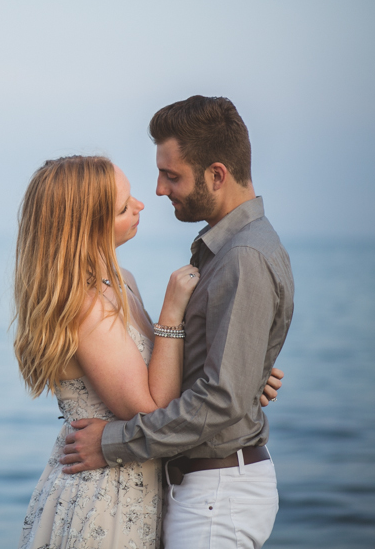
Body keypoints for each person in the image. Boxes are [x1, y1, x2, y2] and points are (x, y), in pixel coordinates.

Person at [59, 96, 294, 549]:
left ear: (217, 175)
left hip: (217, 495)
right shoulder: (227, 250)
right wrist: (246, 378)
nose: (160, 190)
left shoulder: (242, 257)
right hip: (202, 491)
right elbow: (226, 386)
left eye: (172, 176)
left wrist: (112, 443)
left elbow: (220, 401)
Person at [14, 154, 260, 548]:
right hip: (104, 496)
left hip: (135, 483)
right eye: (124, 206)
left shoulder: (120, 279)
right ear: (88, 227)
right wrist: (172, 310)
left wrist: (237, 373)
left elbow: (163, 371)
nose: (141, 205)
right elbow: (151, 408)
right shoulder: (84, 305)